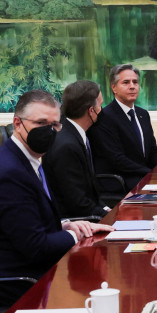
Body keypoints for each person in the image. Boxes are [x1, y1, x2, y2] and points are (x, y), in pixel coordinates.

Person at [0, 90, 110, 311]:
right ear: (17, 123)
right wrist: (75, 234)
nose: (50, 131)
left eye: (55, 125)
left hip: (34, 272)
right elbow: (35, 247)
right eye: (41, 123)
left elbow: (30, 223)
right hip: (16, 287)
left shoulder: (28, 158)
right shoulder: (9, 173)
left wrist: (66, 225)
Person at [89, 64, 157, 191]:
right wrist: (151, 173)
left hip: (144, 176)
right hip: (123, 181)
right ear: (114, 87)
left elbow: (152, 151)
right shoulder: (105, 117)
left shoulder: (143, 114)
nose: (132, 86)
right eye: (126, 82)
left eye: (135, 82)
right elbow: (117, 160)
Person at [44, 79, 109, 219]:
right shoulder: (66, 146)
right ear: (91, 111)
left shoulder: (74, 133)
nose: (102, 110)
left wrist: (106, 208)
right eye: (101, 106)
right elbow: (77, 204)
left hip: (89, 213)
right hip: (77, 223)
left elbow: (89, 193)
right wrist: (112, 216)